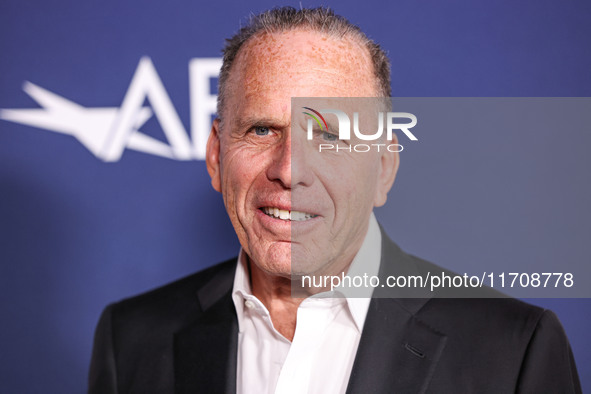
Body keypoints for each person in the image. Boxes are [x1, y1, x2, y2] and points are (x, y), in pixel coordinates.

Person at [89, 7, 581, 393]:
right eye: (262, 129)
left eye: (328, 137)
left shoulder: (514, 351)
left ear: (383, 168)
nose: (288, 169)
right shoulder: (130, 338)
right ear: (216, 154)